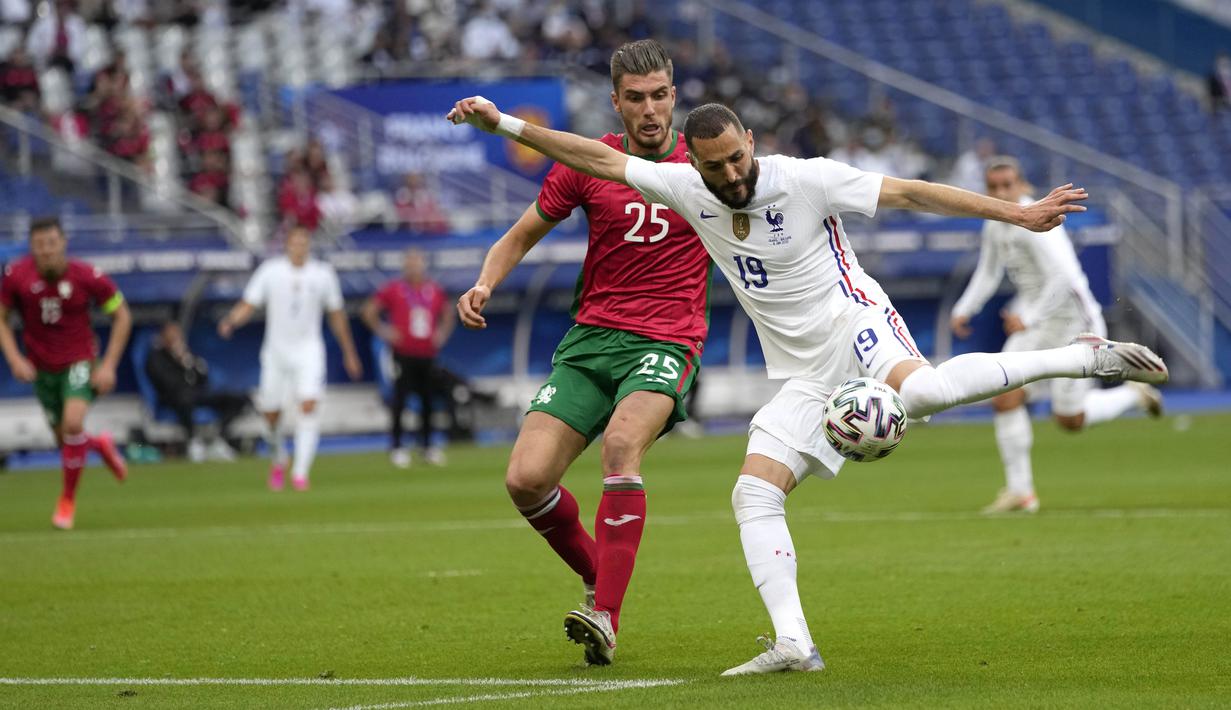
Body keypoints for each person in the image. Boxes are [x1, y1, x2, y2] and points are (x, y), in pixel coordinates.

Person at [447, 97, 1170, 675]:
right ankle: (793, 644)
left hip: (853, 320)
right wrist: (506, 125)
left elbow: (913, 194)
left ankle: (1082, 359)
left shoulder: (805, 178)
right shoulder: (683, 186)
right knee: (752, 492)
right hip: (798, 369)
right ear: (691, 162)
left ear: (752, 141)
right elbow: (595, 156)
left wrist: (1016, 211)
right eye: (715, 167)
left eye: (737, 159)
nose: (731, 176)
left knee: (919, 396)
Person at [454, 40, 711, 666]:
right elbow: (518, 236)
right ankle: (601, 578)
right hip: (591, 341)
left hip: (668, 339)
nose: (649, 110)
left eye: (659, 96)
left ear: (674, 97)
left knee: (622, 448)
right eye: (635, 99)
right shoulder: (588, 164)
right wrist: (486, 283)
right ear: (616, 102)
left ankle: (606, 616)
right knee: (525, 479)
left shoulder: (707, 166)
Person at [950, 157, 1163, 514]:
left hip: (1073, 324)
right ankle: (1021, 492)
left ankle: (1131, 395)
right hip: (1034, 321)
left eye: (1008, 185)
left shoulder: (1036, 219)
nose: (1002, 192)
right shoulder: (996, 223)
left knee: (1069, 420)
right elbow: (988, 271)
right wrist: (964, 308)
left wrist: (1028, 316)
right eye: (994, 187)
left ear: (1022, 185)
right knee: (1002, 396)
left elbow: (1064, 276)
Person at [0, 217, 131, 530]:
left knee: (73, 423)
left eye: (51, 243)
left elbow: (122, 315)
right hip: (43, 370)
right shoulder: (15, 275)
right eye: (39, 245)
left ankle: (67, 501)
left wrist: (109, 364)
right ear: (31, 248)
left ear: (63, 243)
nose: (45, 251)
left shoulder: (88, 276)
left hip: (80, 362)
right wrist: (15, 359)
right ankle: (99, 445)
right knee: (66, 441)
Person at [217, 225, 363, 491]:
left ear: (308, 245)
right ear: (287, 245)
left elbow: (337, 315)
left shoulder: (322, 274)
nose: (299, 247)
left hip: (309, 351)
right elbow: (248, 303)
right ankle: (279, 458)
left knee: (308, 405)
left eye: (303, 242)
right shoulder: (271, 271)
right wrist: (230, 321)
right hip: (276, 353)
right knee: (271, 414)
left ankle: (300, 473)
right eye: (294, 242)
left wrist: (349, 352)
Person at [361, 248, 454, 468]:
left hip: (427, 353)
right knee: (400, 400)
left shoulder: (433, 290)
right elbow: (369, 311)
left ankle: (427, 446)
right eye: (410, 263)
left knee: (428, 401)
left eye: (417, 262)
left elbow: (448, 315)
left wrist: (441, 334)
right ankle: (397, 446)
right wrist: (385, 331)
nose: (414, 267)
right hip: (403, 353)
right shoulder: (394, 289)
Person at [145, 321, 251, 463]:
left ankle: (217, 437)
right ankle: (193, 441)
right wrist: (178, 363)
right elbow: (168, 383)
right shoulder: (156, 357)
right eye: (172, 335)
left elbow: (203, 379)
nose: (176, 339)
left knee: (237, 399)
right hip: (172, 397)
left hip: (195, 393)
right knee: (184, 400)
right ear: (163, 337)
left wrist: (187, 362)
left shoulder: (186, 354)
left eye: (177, 335)